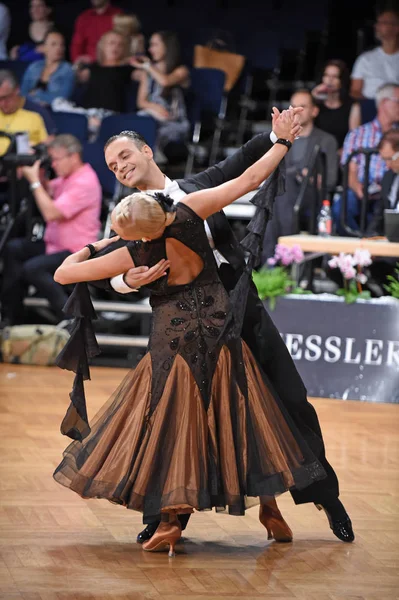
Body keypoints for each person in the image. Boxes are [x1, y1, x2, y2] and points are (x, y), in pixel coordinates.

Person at [53, 109, 328, 557]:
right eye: (112, 166)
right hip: (219, 329)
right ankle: (256, 506)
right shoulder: (184, 211)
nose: (119, 168)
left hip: (195, 331)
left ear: (145, 152)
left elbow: (67, 274)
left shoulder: (140, 237)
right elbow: (249, 180)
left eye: (123, 157)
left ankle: (170, 520)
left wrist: (97, 248)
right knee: (240, 414)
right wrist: (282, 144)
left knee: (175, 423)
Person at [0, 135, 101, 325]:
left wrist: (34, 182)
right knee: (14, 249)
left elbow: (51, 212)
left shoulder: (85, 181)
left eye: (56, 159)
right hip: (54, 245)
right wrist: (38, 175)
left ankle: (71, 318)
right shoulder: (67, 177)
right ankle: (11, 316)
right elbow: (48, 191)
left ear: (73, 157)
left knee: (33, 268)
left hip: (76, 250)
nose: (53, 164)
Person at [262, 89, 338, 260]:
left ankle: (273, 260)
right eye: (293, 106)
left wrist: (308, 177)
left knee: (273, 199)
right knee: (272, 200)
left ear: (314, 111)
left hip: (312, 196)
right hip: (283, 195)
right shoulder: (280, 138)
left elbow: (331, 179)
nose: (296, 111)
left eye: (302, 106)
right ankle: (279, 257)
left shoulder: (327, 140)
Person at [332, 83, 399, 234]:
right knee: (340, 209)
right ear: (384, 103)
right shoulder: (358, 134)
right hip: (361, 188)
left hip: (392, 188)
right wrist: (358, 187)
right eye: (398, 101)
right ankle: (358, 247)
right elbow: (350, 169)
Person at [131, 31, 190, 163]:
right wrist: (154, 107)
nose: (150, 49)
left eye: (155, 45)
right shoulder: (148, 71)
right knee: (139, 121)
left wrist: (148, 66)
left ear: (167, 46)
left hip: (172, 119)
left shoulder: (181, 70)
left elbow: (165, 81)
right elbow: (141, 101)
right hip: (152, 115)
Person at [350, 8, 399, 100]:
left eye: (383, 22)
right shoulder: (365, 59)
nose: (377, 26)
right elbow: (355, 90)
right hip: (371, 107)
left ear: (396, 28)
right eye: (378, 22)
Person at [312, 59, 361, 150]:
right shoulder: (315, 103)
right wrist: (312, 96)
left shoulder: (352, 106)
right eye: (326, 75)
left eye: (335, 76)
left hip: (340, 155)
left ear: (342, 80)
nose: (330, 80)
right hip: (314, 153)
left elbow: (353, 139)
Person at [0, 70, 49, 156]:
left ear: (16, 90)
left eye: (6, 97)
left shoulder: (34, 116)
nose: (2, 103)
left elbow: (47, 145)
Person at [20, 31, 75, 107]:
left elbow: (62, 99)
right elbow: (22, 94)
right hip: (30, 110)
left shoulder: (67, 70)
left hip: (54, 113)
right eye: (53, 44)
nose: (59, 48)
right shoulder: (34, 67)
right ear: (44, 47)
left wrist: (37, 94)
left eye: (61, 45)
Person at [70, 0, 123, 65]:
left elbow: (124, 45)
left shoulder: (118, 15)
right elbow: (76, 46)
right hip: (89, 66)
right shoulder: (83, 17)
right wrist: (78, 63)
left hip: (112, 64)